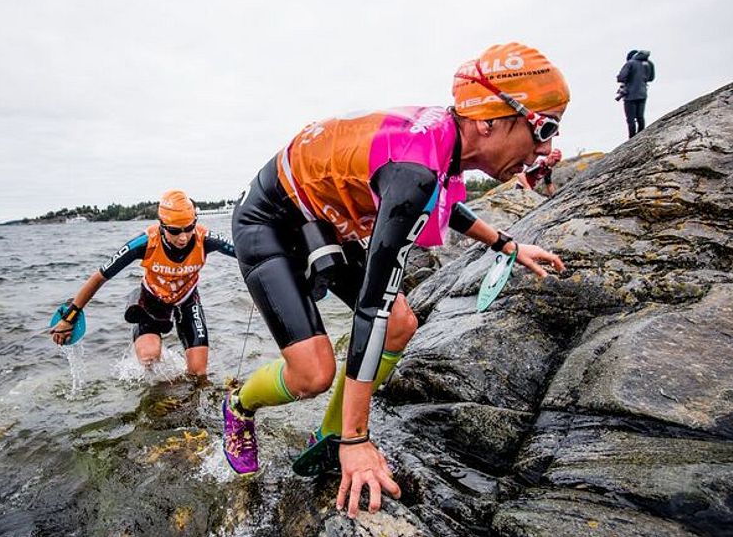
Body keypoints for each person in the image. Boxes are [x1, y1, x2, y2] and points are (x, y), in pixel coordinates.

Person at [222, 42, 569, 517]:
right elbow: (372, 306)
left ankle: (327, 437)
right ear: (488, 120)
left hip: (324, 218)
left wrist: (505, 244)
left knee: (403, 323)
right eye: (543, 128)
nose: (546, 149)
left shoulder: (444, 141)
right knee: (314, 373)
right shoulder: (417, 167)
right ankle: (240, 408)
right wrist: (360, 439)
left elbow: (440, 206)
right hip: (269, 222)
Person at [50, 189, 235, 376]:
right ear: (162, 226)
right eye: (174, 230)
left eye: (189, 228)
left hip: (187, 299)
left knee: (199, 373)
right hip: (151, 300)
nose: (183, 237)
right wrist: (70, 317)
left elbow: (247, 252)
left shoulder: (205, 239)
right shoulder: (145, 242)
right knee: (149, 359)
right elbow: (100, 277)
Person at [617, 49, 655, 138]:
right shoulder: (649, 64)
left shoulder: (630, 63)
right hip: (642, 93)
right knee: (640, 117)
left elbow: (621, 77)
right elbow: (651, 78)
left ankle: (632, 139)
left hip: (630, 95)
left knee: (630, 119)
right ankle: (641, 136)